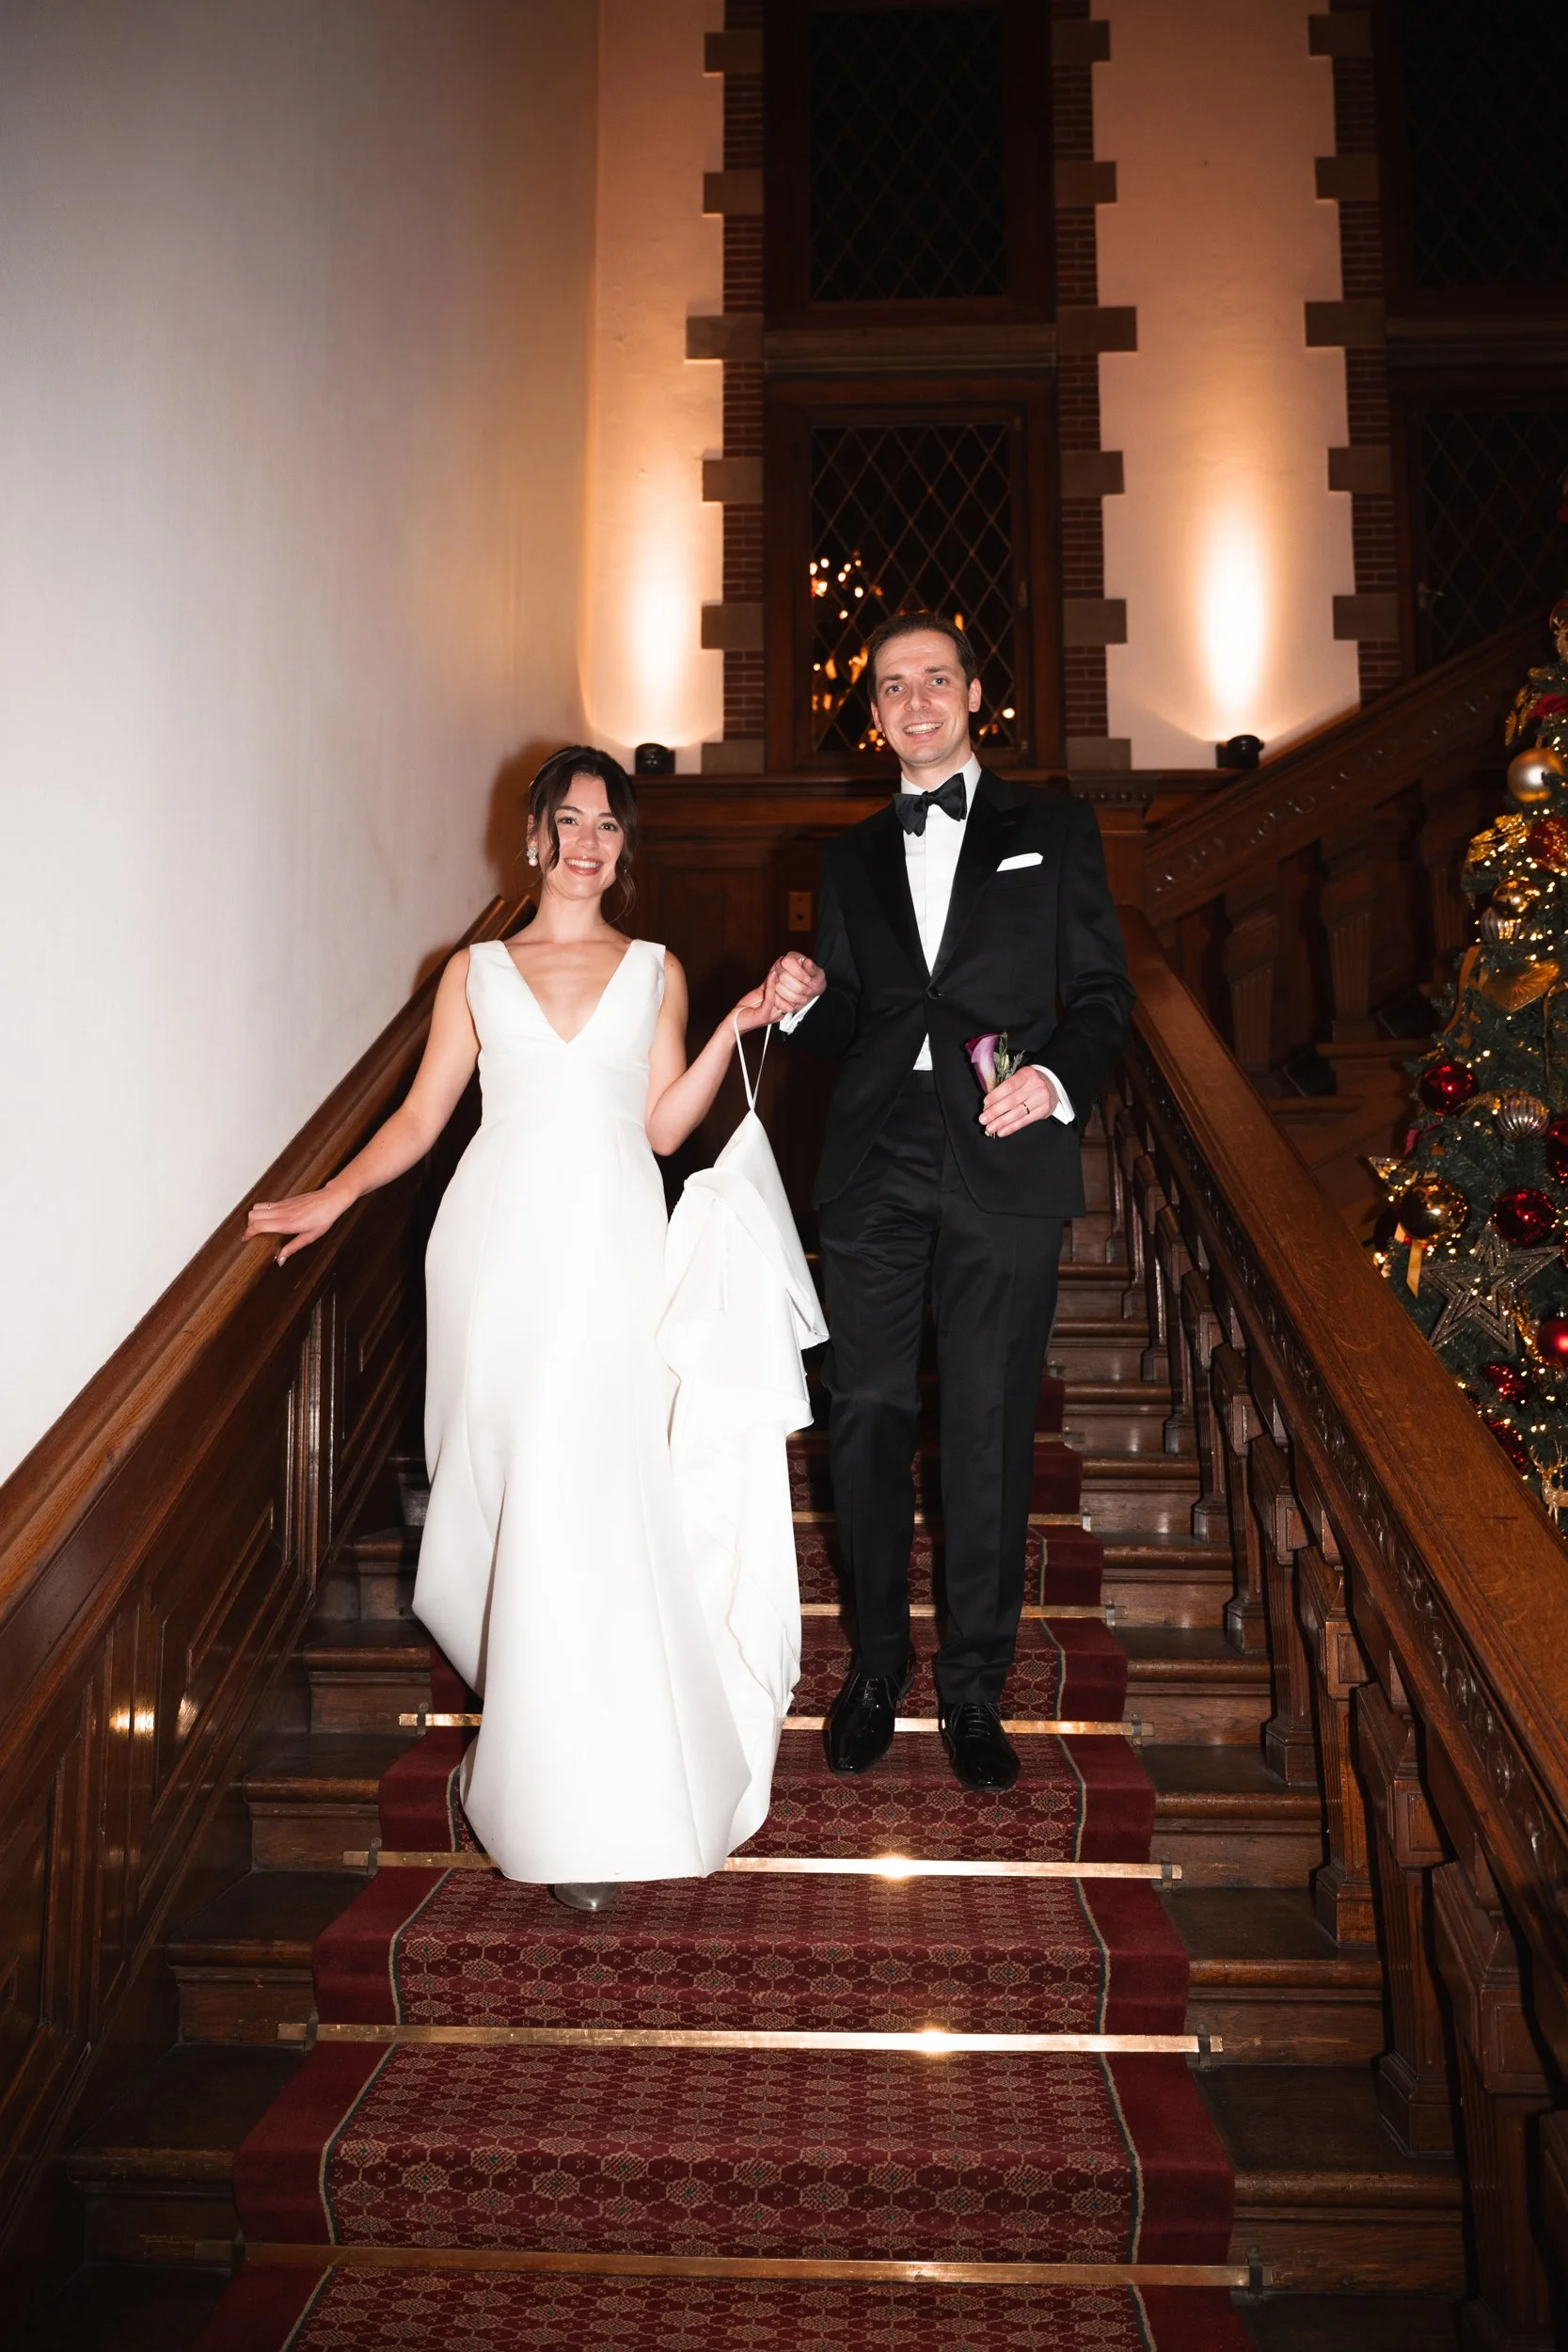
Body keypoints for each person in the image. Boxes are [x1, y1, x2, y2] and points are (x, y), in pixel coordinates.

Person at [247, 747, 792, 1910]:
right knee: (512, 1494)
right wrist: (339, 1190)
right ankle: (538, 1754)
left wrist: (731, 1027)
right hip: (493, 1254)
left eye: (608, 825)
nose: (587, 842)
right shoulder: (475, 971)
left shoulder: (655, 968)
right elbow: (421, 1116)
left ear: (622, 848)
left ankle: (592, 1793)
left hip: (616, 1254)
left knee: (597, 1498)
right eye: (569, 820)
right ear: (534, 835)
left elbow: (661, 1129)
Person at [768, 614, 1133, 1793]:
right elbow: (850, 1017)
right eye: (891, 686)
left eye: (935, 678)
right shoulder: (845, 857)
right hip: (875, 1154)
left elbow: (1101, 996)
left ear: (975, 694)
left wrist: (1054, 1080)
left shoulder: (1054, 829)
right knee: (868, 1410)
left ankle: (975, 1682)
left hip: (1002, 1145)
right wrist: (800, 995)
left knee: (985, 1420)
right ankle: (877, 1664)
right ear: (871, 712)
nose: (914, 700)